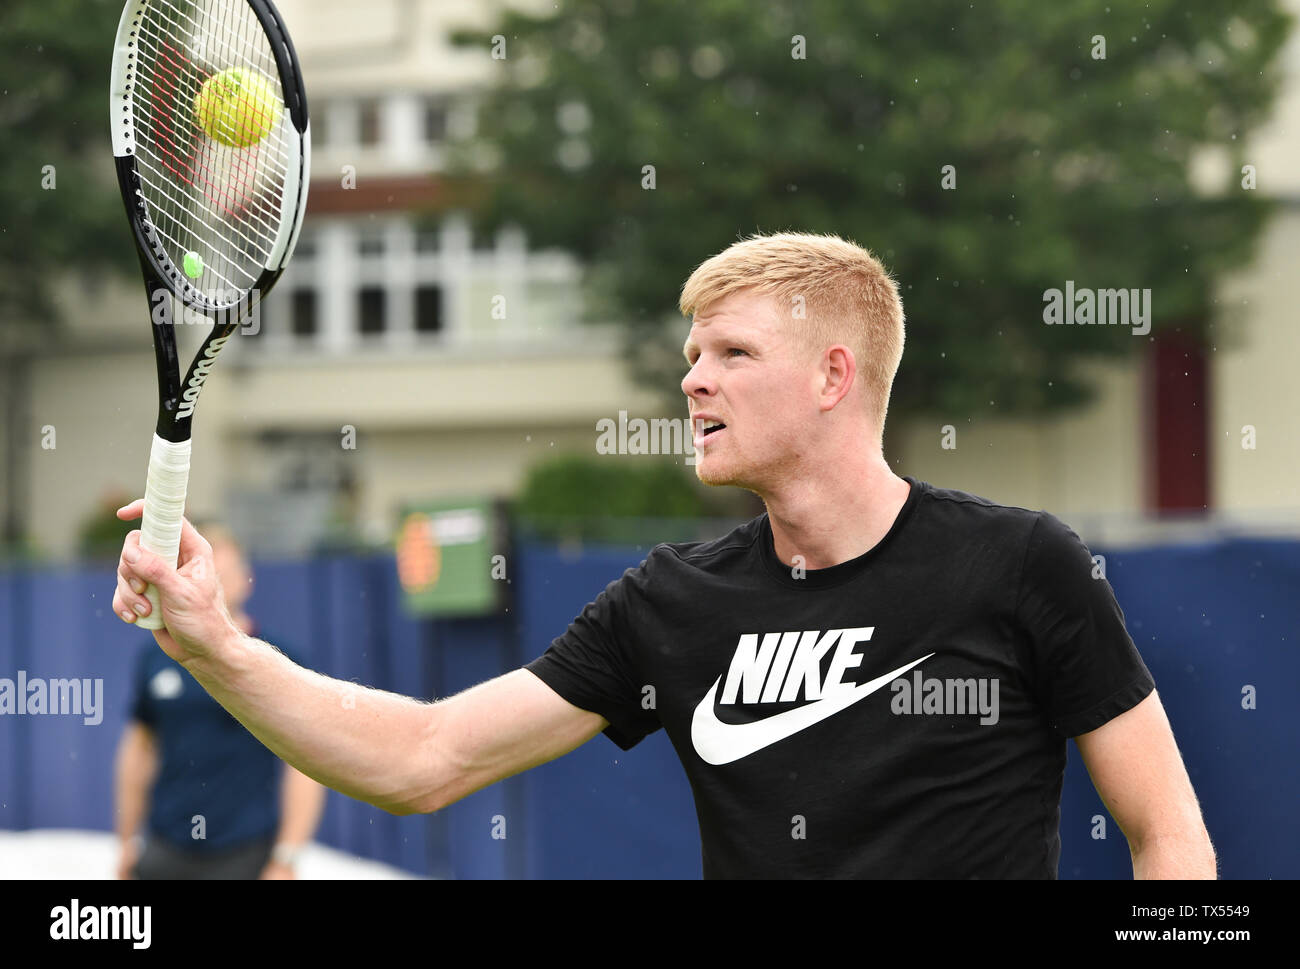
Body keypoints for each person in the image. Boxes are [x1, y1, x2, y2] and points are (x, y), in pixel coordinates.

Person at [111, 232, 1216, 879]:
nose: (692, 381)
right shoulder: (669, 602)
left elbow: (1167, 835)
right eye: (691, 356)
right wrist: (211, 644)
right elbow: (421, 759)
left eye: (732, 354)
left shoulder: (1024, 564)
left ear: (834, 376)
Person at [113, 524, 326, 879]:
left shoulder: (279, 660)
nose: (219, 585)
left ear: (247, 579)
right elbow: (139, 750)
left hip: (244, 853)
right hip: (166, 847)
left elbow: (306, 766)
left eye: (227, 575)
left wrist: (286, 858)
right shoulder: (158, 657)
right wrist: (126, 842)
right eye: (210, 575)